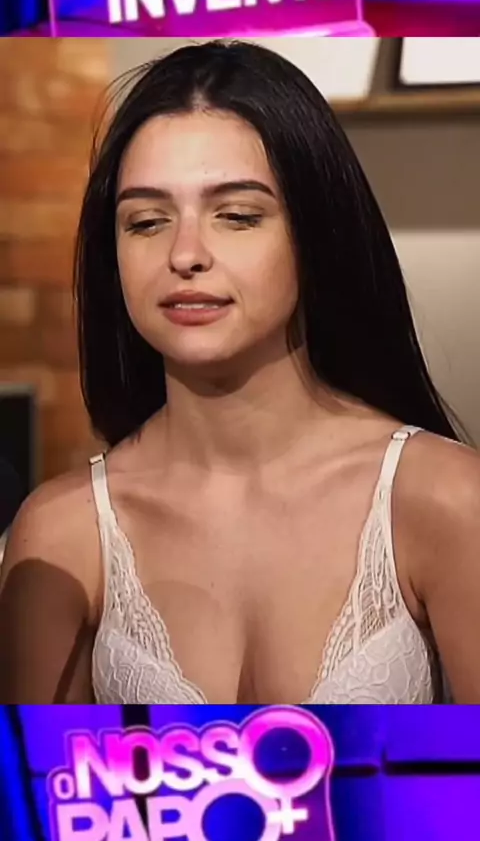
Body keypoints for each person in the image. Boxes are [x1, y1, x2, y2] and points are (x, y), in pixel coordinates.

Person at [1, 40, 479, 705]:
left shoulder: (443, 500)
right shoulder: (60, 537)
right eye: (146, 221)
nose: (185, 254)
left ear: (314, 233)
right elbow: (39, 777)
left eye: (237, 216)